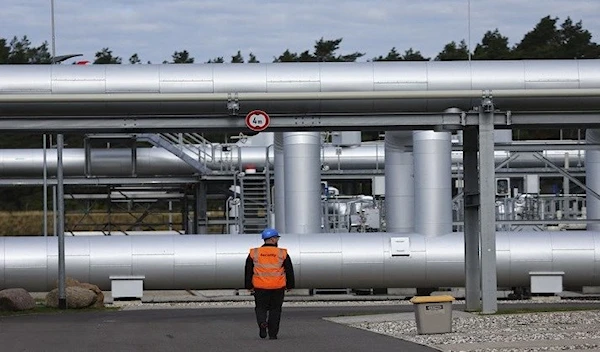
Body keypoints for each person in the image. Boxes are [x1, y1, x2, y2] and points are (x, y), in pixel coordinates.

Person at [245, 228, 295, 340]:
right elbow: (289, 270)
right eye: (277, 238)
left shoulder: (254, 252)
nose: (277, 240)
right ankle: (273, 334)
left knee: (260, 308)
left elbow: (248, 270)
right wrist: (290, 285)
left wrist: (249, 285)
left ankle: (262, 322)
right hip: (278, 286)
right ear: (272, 239)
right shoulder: (282, 253)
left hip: (260, 286)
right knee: (275, 310)